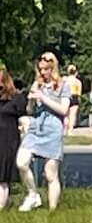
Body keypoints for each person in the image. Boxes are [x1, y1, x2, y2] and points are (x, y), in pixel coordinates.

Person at [16, 51, 71, 211]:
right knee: (21, 162)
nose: (43, 72)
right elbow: (30, 110)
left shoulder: (63, 85)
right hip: (35, 127)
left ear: (53, 68)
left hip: (53, 129)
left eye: (46, 69)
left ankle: (53, 210)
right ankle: (33, 194)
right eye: (40, 69)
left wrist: (44, 98)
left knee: (50, 173)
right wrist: (31, 100)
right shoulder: (37, 84)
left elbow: (63, 109)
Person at [0, 69, 28, 210]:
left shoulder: (16, 99)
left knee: (3, 177)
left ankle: (2, 205)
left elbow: (24, 119)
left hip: (7, 140)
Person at [64, 65, 82, 134]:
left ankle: (65, 129)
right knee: (72, 115)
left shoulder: (65, 80)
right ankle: (70, 131)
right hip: (75, 96)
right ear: (76, 72)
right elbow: (79, 93)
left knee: (65, 115)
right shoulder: (78, 82)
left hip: (66, 96)